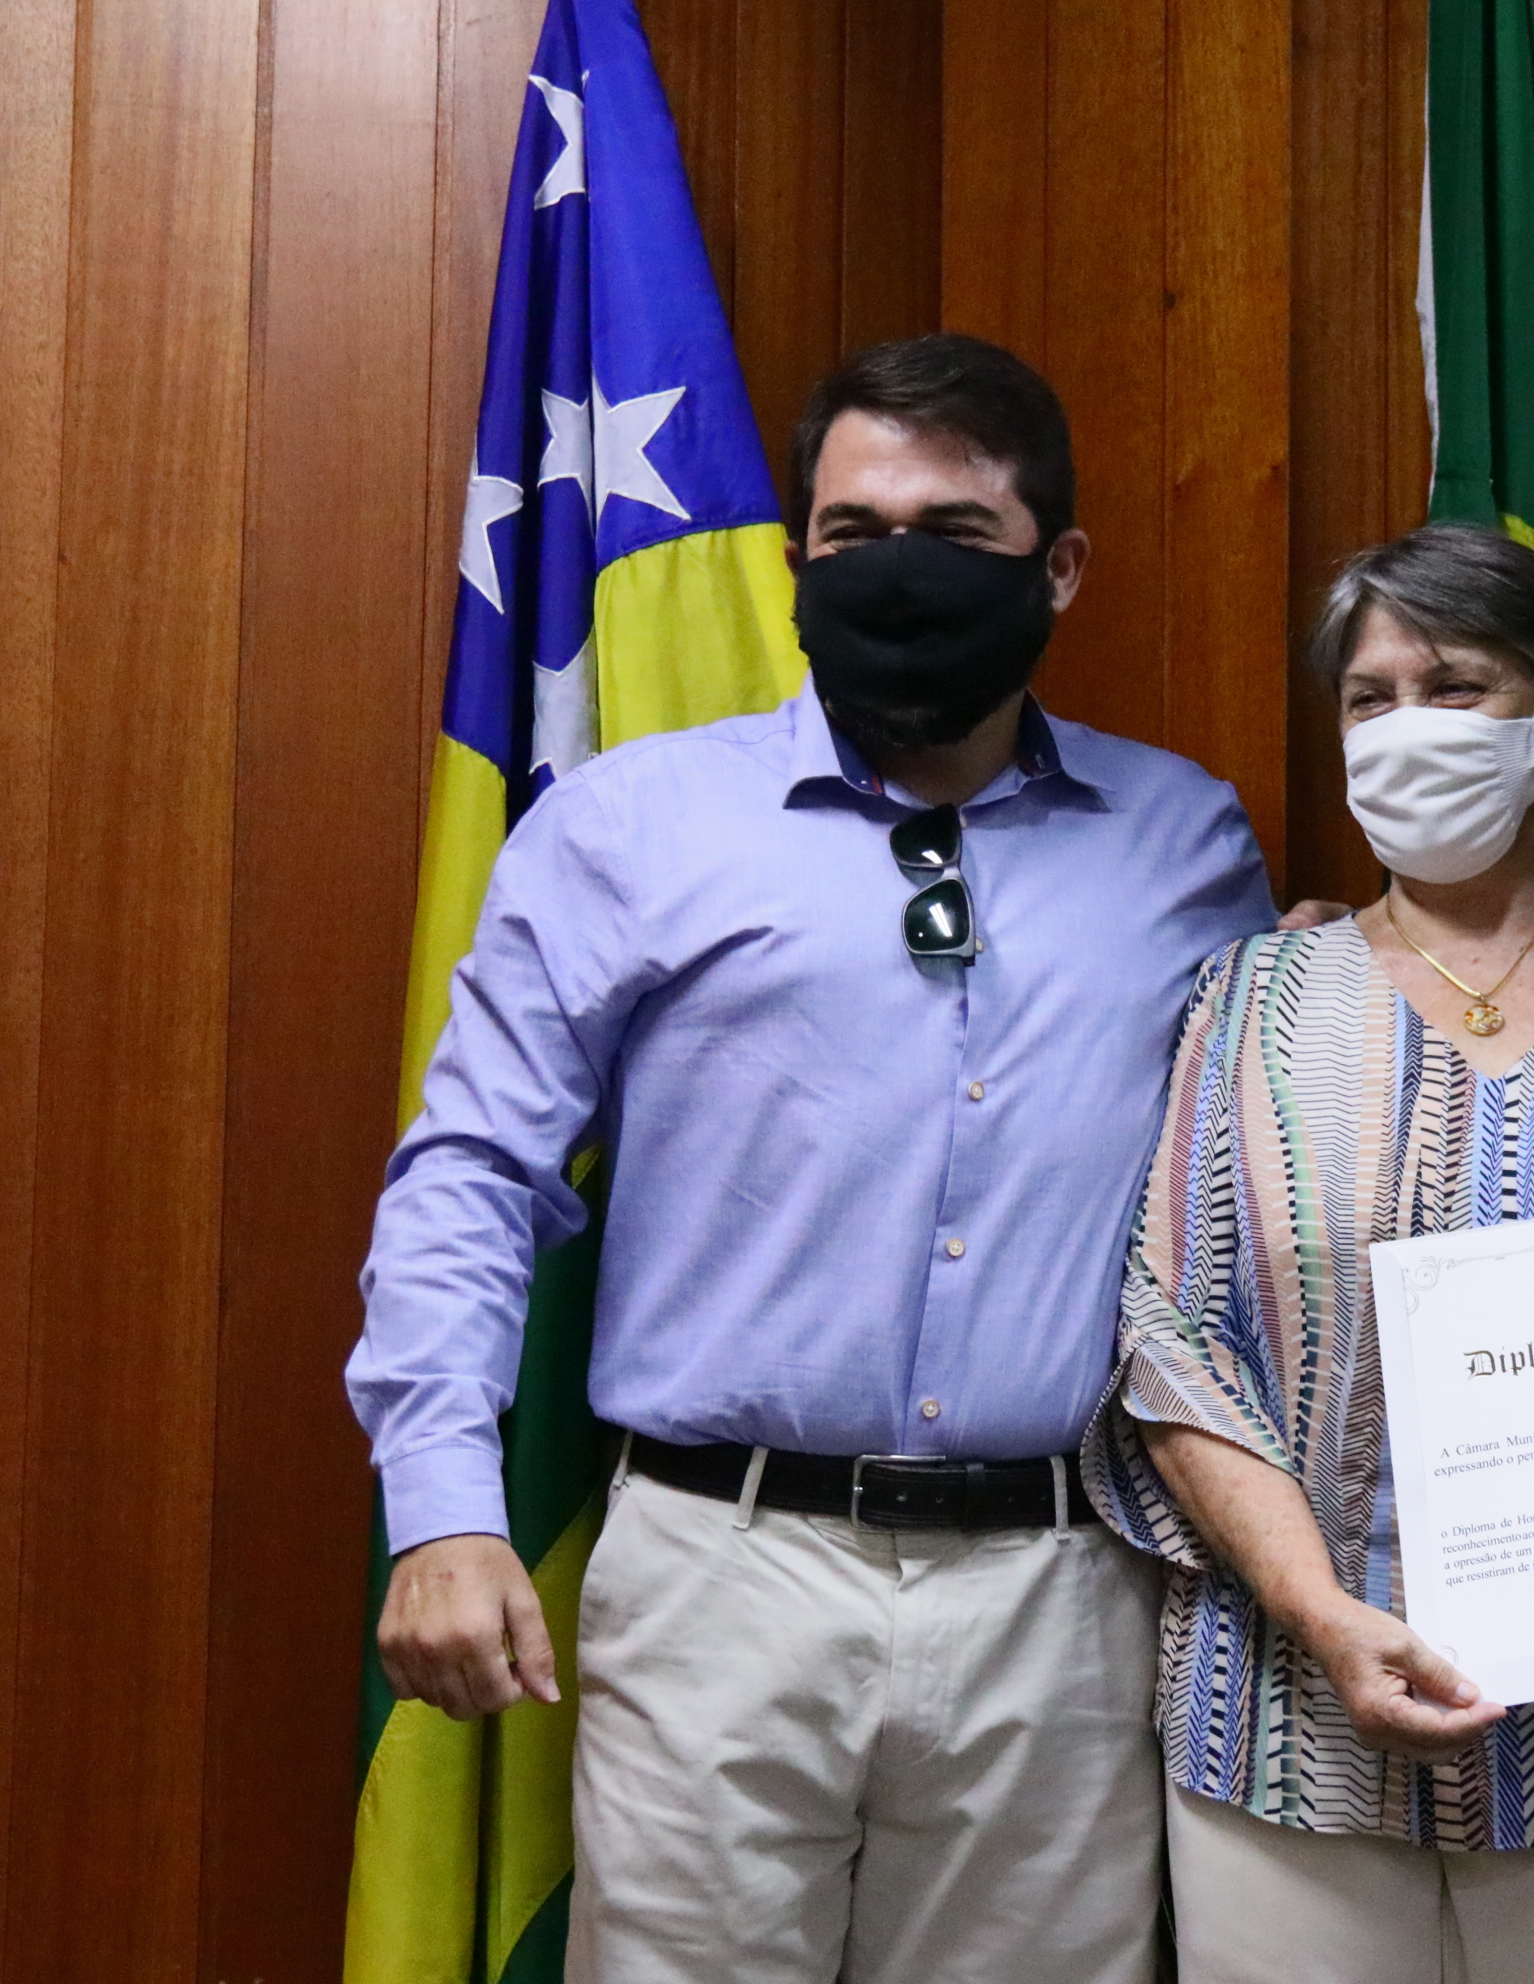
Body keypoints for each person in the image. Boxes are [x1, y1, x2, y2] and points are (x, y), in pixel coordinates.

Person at [348, 333, 1272, 1984]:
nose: (899, 572)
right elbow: (471, 1172)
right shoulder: (629, 826)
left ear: (1058, 567)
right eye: (855, 534)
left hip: (1061, 1598)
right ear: (794, 560)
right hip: (723, 1578)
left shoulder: (1187, 841)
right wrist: (441, 1511)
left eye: (956, 533)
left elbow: (1261, 1186)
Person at [1083, 523, 1534, 1984]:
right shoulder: (1253, 996)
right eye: (1371, 697)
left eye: (1457, 685)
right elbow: (1171, 1339)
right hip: (1285, 1724)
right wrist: (1322, 1615)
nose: (1407, 726)